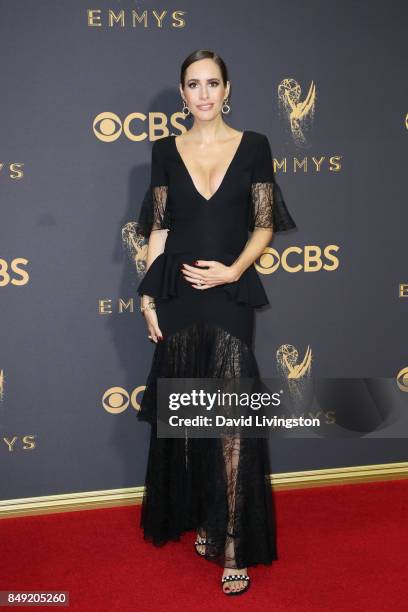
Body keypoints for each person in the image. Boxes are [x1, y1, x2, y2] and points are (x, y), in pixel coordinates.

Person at [135, 49, 296, 596]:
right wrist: (149, 299)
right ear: (182, 94)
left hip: (228, 296)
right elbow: (157, 230)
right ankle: (204, 517)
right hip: (178, 297)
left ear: (228, 90)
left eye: (212, 84)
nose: (203, 94)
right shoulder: (164, 151)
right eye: (192, 85)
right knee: (189, 415)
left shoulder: (253, 147)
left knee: (230, 421)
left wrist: (233, 272)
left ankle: (233, 543)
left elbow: (264, 225)